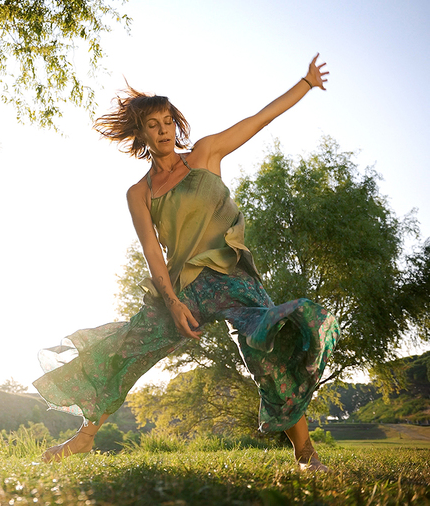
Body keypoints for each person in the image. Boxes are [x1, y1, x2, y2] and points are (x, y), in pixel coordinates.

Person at [32, 55, 337, 471]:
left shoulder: (206, 154)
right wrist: (172, 302)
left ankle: (305, 453)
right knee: (126, 349)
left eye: (168, 121)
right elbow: (152, 252)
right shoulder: (138, 193)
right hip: (182, 289)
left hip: (231, 278)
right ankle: (84, 438)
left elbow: (261, 118)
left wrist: (305, 83)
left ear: (176, 124)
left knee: (266, 348)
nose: (163, 131)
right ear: (140, 134)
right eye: (153, 125)